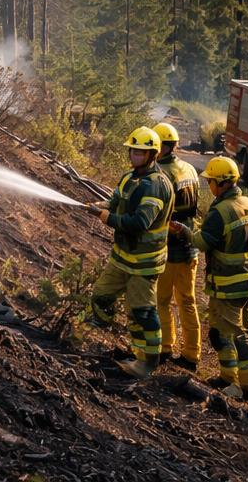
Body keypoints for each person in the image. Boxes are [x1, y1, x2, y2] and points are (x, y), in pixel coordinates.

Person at [86, 126, 173, 379]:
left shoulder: (156, 186)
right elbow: (114, 202)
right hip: (121, 256)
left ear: (152, 154)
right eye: (133, 150)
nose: (135, 155)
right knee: (101, 296)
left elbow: (139, 223)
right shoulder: (129, 178)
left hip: (144, 262)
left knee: (142, 313)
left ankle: (148, 362)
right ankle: (109, 331)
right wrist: (97, 206)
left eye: (140, 152)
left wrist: (105, 217)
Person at [185, 154, 248, 402]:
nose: (209, 185)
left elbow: (201, 242)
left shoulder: (220, 212)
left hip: (228, 287)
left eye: (210, 181)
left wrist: (187, 231)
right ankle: (227, 377)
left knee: (239, 334)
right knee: (220, 331)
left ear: (220, 183)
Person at [152, 122, 203, 368]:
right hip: (190, 247)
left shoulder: (161, 174)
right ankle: (192, 355)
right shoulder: (191, 170)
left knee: (161, 300)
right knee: (188, 301)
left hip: (170, 248)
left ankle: (165, 348)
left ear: (162, 147)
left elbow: (158, 212)